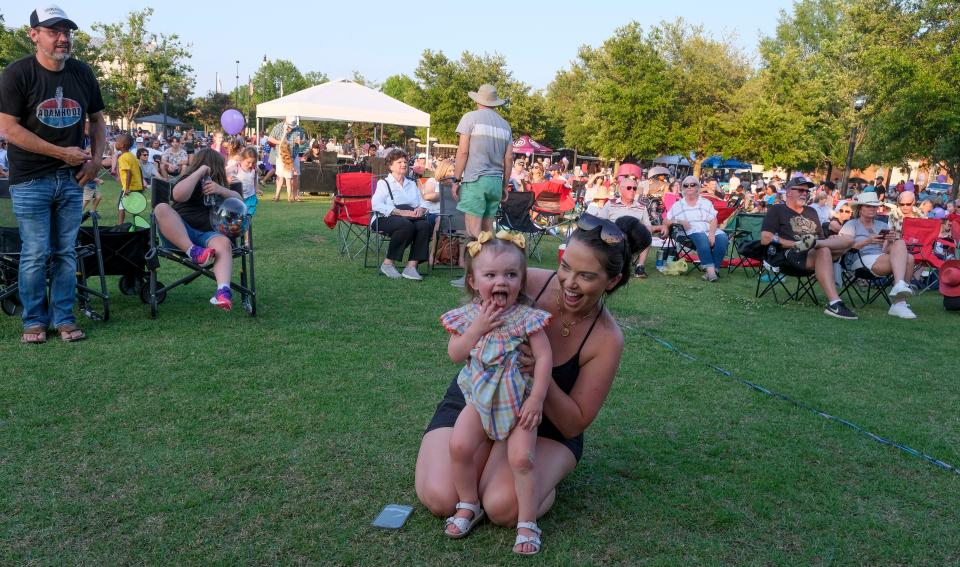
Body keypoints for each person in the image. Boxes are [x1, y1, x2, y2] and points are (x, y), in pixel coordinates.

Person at [416, 215, 646, 544]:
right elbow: (482, 284)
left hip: (544, 420)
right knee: (441, 496)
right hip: (481, 397)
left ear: (611, 281)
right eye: (566, 267)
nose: (569, 282)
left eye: (586, 276)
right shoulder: (527, 281)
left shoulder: (607, 338)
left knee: (501, 506)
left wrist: (539, 377)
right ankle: (482, 478)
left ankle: (528, 480)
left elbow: (574, 423)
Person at [439, 231, 553, 555]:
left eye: (510, 274)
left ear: (521, 280)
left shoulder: (526, 318)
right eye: (490, 275)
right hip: (479, 400)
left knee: (522, 458)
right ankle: (468, 504)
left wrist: (537, 399)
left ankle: (527, 522)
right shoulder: (468, 317)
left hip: (518, 403)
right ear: (474, 281)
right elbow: (455, 354)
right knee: (459, 445)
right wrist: (477, 329)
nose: (500, 281)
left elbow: (545, 358)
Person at [0, 5, 106, 343]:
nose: (63, 38)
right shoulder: (18, 73)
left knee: (65, 251)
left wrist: (95, 161)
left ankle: (64, 318)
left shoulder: (82, 73)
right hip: (31, 179)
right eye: (53, 31)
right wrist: (62, 153)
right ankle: (34, 320)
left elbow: (98, 120)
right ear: (34, 35)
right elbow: (9, 130)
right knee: (35, 251)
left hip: (72, 179)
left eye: (67, 32)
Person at [153, 148, 242, 310]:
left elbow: (240, 202)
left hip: (208, 235)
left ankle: (223, 291)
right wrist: (199, 172)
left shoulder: (219, 185)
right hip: (179, 235)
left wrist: (220, 190)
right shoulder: (189, 178)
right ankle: (193, 251)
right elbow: (178, 195)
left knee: (223, 243)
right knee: (161, 208)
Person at [759, 176, 856, 319]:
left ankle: (814, 244)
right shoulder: (777, 210)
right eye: (800, 190)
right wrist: (796, 244)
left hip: (815, 249)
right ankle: (835, 304)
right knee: (823, 249)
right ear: (789, 192)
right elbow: (765, 239)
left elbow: (821, 238)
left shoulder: (811, 212)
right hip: (792, 254)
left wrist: (828, 240)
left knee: (848, 239)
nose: (804, 193)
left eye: (806, 191)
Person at [840, 192, 916, 319]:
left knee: (903, 246)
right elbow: (845, 247)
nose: (872, 209)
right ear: (860, 208)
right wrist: (868, 241)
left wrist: (890, 240)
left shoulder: (882, 225)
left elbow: (885, 250)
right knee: (908, 259)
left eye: (875, 206)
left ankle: (899, 292)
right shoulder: (851, 225)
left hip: (881, 256)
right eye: (869, 206)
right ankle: (899, 302)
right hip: (860, 259)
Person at [452, 84, 513, 240]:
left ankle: (495, 257)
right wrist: (504, 185)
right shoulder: (505, 125)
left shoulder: (470, 118)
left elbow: (463, 152)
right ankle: (491, 263)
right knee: (487, 232)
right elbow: (508, 158)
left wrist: (456, 179)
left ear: (477, 100)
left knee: (474, 233)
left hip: (475, 180)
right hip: (495, 183)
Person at [371, 148, 432, 280]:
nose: (404, 164)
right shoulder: (384, 183)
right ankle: (388, 263)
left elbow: (424, 203)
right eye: (399, 162)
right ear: (390, 166)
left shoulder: (411, 184)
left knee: (424, 225)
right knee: (405, 225)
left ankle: (411, 267)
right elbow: (376, 205)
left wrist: (421, 209)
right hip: (384, 218)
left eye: (405, 162)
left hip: (410, 218)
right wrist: (399, 211)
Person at [664, 176, 729, 282]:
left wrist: (712, 234)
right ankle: (711, 272)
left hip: (708, 229)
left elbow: (713, 219)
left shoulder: (705, 202)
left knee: (722, 238)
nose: (689, 187)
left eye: (692, 184)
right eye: (686, 185)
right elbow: (666, 221)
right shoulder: (678, 205)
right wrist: (679, 221)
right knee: (701, 237)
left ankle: (714, 270)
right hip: (689, 232)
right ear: (683, 189)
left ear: (698, 187)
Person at [593, 178, 658, 278]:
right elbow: (601, 222)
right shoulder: (611, 204)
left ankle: (640, 267)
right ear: (621, 190)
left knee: (647, 234)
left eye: (634, 188)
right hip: (613, 237)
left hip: (633, 240)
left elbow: (648, 225)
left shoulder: (641, 207)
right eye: (629, 188)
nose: (632, 190)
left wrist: (652, 229)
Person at [115, 133, 143, 225]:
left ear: (122, 145)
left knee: (121, 207)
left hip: (129, 188)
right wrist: (142, 184)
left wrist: (127, 188)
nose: (115, 143)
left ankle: (120, 225)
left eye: (117, 142)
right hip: (137, 187)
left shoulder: (123, 157)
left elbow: (128, 172)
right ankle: (138, 225)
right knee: (135, 208)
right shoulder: (132, 156)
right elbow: (139, 170)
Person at [227, 146, 259, 216]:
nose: (251, 165)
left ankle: (248, 226)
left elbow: (254, 178)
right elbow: (223, 173)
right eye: (248, 162)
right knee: (238, 218)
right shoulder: (236, 168)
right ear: (242, 159)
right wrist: (227, 180)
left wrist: (256, 189)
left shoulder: (254, 169)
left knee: (248, 217)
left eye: (253, 163)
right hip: (238, 198)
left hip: (250, 197)